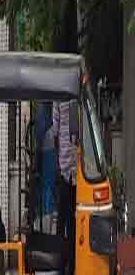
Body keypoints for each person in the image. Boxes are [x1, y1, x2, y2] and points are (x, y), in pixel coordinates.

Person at [52, 101, 77, 245]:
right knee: (71, 217)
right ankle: (68, 258)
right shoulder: (76, 95)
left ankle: (62, 256)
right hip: (74, 166)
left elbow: (55, 130)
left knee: (63, 215)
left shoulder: (58, 99)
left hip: (65, 165)